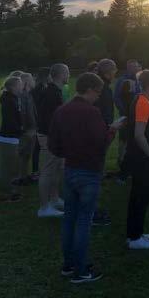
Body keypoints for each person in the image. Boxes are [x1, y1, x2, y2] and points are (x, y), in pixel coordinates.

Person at [49, 72, 123, 284]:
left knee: (69, 219)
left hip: (70, 170)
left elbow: (54, 146)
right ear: (89, 89)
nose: (99, 97)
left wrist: (69, 153)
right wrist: (113, 130)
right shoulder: (91, 113)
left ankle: (69, 264)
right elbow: (102, 143)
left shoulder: (61, 111)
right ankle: (81, 270)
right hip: (89, 172)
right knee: (83, 221)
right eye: (98, 92)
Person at [126, 69, 149, 250]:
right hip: (142, 157)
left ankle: (135, 232)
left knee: (139, 195)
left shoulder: (141, 100)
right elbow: (139, 135)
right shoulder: (143, 103)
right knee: (141, 195)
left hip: (138, 156)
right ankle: (135, 237)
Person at [37, 63, 69, 218]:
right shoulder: (52, 93)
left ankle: (54, 199)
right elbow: (50, 119)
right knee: (48, 170)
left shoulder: (55, 90)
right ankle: (44, 208)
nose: (68, 76)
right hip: (48, 136)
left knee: (56, 167)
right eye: (67, 73)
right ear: (62, 74)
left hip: (54, 136)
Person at [92, 58, 118, 226]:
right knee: (95, 171)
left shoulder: (98, 85)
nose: (115, 73)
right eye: (114, 70)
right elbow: (104, 113)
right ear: (109, 72)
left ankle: (90, 208)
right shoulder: (104, 89)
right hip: (101, 133)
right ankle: (92, 212)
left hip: (97, 132)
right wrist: (111, 128)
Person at [0, 76, 24, 202]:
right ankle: (5, 194)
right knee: (7, 168)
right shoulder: (9, 100)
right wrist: (20, 130)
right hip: (8, 138)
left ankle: (11, 192)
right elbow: (11, 121)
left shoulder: (12, 98)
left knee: (12, 167)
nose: (22, 87)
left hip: (11, 137)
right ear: (13, 87)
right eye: (20, 85)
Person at [114, 59, 141, 183]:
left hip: (136, 115)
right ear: (128, 68)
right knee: (123, 139)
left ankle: (129, 164)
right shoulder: (122, 80)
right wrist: (124, 111)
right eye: (133, 67)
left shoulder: (138, 80)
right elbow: (117, 97)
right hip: (126, 114)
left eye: (137, 67)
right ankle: (121, 160)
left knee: (133, 139)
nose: (136, 69)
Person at [16, 73, 37, 185]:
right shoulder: (23, 95)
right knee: (22, 153)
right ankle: (20, 176)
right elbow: (23, 113)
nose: (34, 80)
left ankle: (25, 175)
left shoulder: (29, 94)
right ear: (27, 81)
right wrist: (24, 128)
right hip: (27, 129)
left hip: (32, 127)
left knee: (27, 154)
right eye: (32, 79)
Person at [31, 67, 50, 180]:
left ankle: (36, 171)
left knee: (37, 148)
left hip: (38, 120)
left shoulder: (39, 88)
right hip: (38, 121)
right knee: (38, 148)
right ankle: (36, 172)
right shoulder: (40, 89)